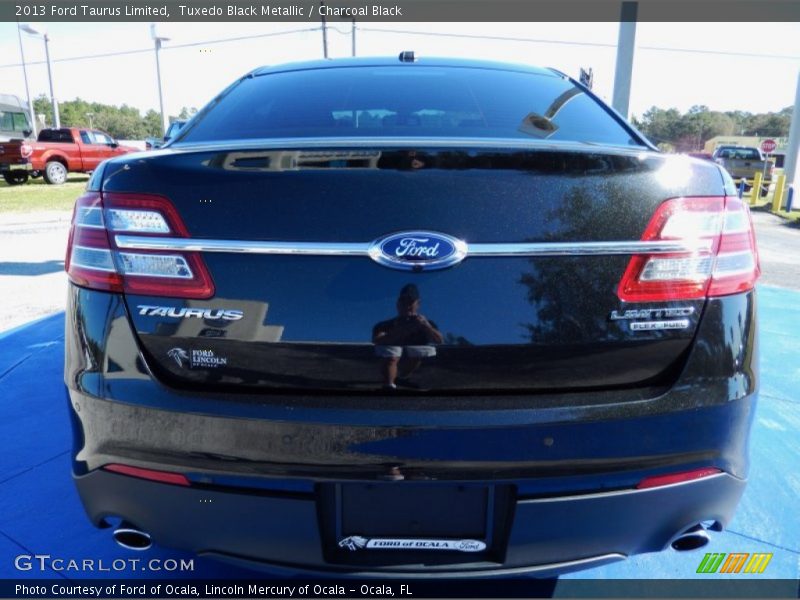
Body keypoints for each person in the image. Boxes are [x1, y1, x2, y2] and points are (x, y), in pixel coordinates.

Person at [372, 284, 443, 389]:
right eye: (403, 302)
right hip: (386, 366)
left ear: (418, 304)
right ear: (398, 304)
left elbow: (439, 340)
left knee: (419, 351)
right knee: (391, 352)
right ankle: (389, 384)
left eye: (410, 302)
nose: (407, 306)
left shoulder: (426, 324)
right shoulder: (384, 325)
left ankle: (402, 377)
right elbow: (377, 341)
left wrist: (426, 326)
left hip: (414, 369)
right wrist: (403, 329)